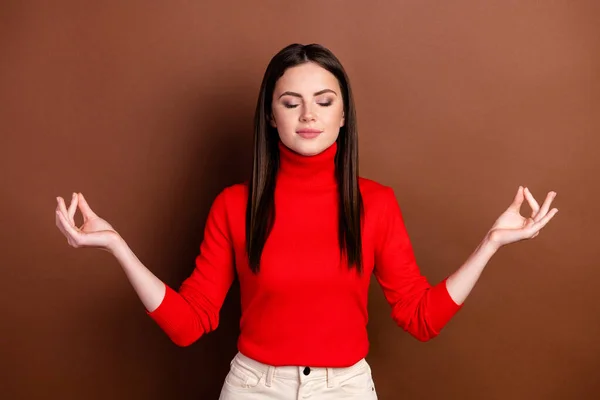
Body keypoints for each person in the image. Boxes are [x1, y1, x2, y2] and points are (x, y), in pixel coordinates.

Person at [54, 43, 558, 399]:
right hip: (254, 389)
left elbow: (420, 317)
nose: (308, 116)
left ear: (344, 117)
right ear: (271, 117)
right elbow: (190, 324)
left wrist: (491, 243)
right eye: (290, 103)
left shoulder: (375, 203)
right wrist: (118, 246)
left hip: (346, 390)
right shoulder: (235, 204)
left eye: (324, 101)